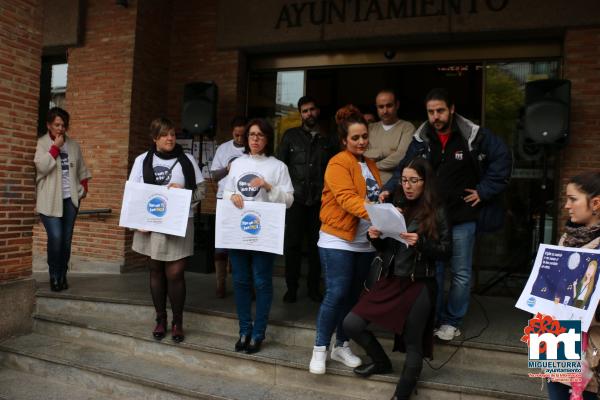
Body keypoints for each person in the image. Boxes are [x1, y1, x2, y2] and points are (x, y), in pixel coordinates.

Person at [382, 88, 512, 341]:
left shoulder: (473, 135)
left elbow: (502, 158)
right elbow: (405, 170)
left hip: (463, 217)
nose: (435, 116)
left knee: (461, 273)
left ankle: (452, 321)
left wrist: (484, 191)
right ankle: (434, 318)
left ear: (451, 109)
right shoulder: (422, 138)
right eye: (431, 112)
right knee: (435, 271)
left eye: (440, 110)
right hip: (433, 217)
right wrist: (389, 190)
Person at [343, 157, 451, 400]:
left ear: (426, 182)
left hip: (419, 282)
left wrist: (421, 243)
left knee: (413, 342)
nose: (408, 186)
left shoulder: (437, 209)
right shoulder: (396, 204)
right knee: (351, 323)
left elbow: (446, 251)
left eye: (414, 180)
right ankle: (381, 362)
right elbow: (387, 249)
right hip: (391, 279)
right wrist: (375, 237)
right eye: (404, 180)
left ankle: (401, 395)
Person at [309, 105, 381, 375]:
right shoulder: (338, 162)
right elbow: (347, 199)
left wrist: (384, 212)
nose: (362, 141)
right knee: (336, 294)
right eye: (355, 138)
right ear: (344, 141)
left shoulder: (371, 165)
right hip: (337, 240)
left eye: (364, 136)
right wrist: (378, 214)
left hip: (364, 243)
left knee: (352, 297)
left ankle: (341, 345)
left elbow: (375, 197)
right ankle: (319, 348)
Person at [128, 117, 205, 343]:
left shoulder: (187, 160)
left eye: (172, 134)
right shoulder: (142, 160)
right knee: (155, 271)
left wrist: (184, 191)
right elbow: (133, 194)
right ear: (154, 138)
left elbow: (202, 192)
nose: (170, 138)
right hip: (149, 227)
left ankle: (178, 321)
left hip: (179, 225)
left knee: (175, 273)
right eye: (164, 135)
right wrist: (136, 222)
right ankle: (160, 319)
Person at [224, 118, 294, 354]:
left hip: (264, 233)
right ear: (246, 138)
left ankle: (258, 332)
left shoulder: (278, 166)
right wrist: (231, 196)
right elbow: (227, 193)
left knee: (262, 282)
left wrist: (268, 186)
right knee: (241, 281)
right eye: (251, 134)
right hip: (238, 232)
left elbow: (289, 200)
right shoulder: (238, 164)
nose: (255, 139)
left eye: (260, 135)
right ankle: (244, 329)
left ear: (267, 139)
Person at [277, 96, 338, 303]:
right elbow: (280, 168)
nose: (309, 114)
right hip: (295, 200)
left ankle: (313, 287)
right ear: (300, 114)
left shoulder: (329, 139)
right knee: (292, 245)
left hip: (320, 202)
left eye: (312, 109)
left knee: (316, 246)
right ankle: (291, 288)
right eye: (304, 111)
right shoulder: (290, 136)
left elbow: (335, 170)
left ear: (317, 111)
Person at [546, 171, 600, 400]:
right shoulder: (565, 240)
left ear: (595, 203)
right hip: (559, 337)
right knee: (557, 395)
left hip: (593, 345)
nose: (567, 206)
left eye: (573, 199)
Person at [35, 107, 91, 292]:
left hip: (70, 200)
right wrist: (55, 148)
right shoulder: (42, 143)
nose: (60, 128)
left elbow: (82, 169)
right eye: (56, 124)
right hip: (49, 199)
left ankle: (62, 275)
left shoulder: (73, 145)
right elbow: (41, 168)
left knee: (66, 240)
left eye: (63, 125)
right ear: (49, 125)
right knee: (56, 238)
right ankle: (53, 275)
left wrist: (83, 189)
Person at [210, 116, 246, 298]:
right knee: (221, 244)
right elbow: (214, 176)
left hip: (247, 202)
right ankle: (220, 284)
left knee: (244, 243)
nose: (240, 138)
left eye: (243, 135)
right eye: (236, 135)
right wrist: (229, 168)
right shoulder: (224, 149)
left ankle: (246, 285)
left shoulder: (252, 149)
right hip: (224, 200)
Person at [364, 89, 415, 184]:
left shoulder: (407, 127)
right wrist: (388, 151)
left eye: (389, 105)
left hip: (393, 187)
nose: (385, 111)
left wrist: (373, 164)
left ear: (397, 105)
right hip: (368, 185)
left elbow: (401, 157)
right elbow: (361, 154)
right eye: (381, 107)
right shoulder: (370, 128)